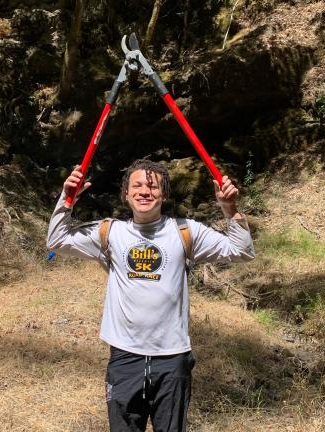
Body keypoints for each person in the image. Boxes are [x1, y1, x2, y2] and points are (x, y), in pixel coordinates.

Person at [46, 159, 255, 432]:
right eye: (138, 185)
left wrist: (230, 208)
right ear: (126, 194)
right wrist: (67, 197)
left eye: (153, 186)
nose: (145, 191)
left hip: (172, 358)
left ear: (164, 194)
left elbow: (241, 251)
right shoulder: (110, 232)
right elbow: (56, 240)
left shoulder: (186, 231)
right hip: (124, 357)